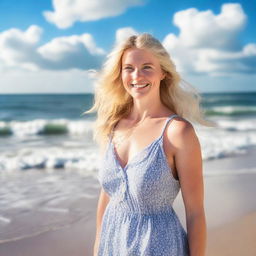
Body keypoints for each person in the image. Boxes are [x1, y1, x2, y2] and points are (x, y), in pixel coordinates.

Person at [90, 33, 208, 256]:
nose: (137, 75)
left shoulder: (177, 132)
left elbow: (195, 213)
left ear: (163, 72)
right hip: (112, 244)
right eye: (129, 68)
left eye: (147, 67)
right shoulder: (112, 126)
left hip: (157, 247)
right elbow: (108, 194)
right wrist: (97, 248)